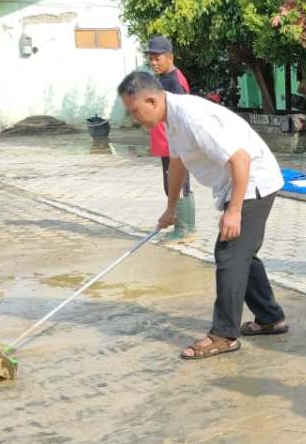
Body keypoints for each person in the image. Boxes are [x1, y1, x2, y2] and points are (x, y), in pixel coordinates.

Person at [117, 70, 290, 359]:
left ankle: (224, 336)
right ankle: (270, 318)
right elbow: (177, 165)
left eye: (135, 111)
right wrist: (170, 209)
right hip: (236, 184)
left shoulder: (192, 117)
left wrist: (234, 211)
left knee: (229, 255)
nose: (135, 119)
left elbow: (241, 158)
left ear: (151, 100)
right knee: (241, 254)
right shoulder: (169, 120)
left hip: (253, 182)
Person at [146, 36, 195, 241]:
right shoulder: (162, 78)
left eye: (158, 58)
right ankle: (176, 219)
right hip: (164, 142)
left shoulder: (176, 81)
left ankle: (186, 229)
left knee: (179, 183)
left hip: (174, 143)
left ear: (170, 57)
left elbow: (183, 114)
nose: (153, 62)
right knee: (169, 184)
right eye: (151, 58)